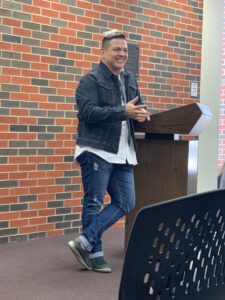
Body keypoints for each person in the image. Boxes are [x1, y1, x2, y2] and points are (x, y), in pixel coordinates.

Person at [68, 29, 150, 273]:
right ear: (103, 52)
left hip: (123, 151)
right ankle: (95, 253)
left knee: (126, 201)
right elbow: (87, 113)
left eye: (124, 50)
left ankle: (84, 241)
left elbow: (136, 108)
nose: (122, 54)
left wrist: (142, 116)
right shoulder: (90, 80)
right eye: (116, 49)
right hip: (96, 149)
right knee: (93, 203)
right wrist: (122, 112)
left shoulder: (130, 79)